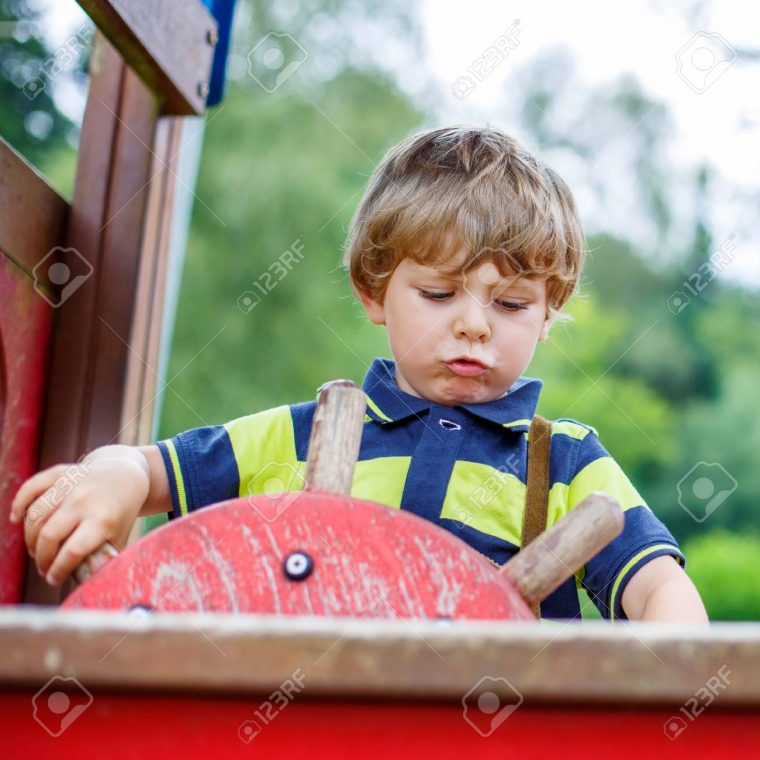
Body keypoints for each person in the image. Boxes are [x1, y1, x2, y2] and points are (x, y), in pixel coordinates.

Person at [10, 125, 708, 623]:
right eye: (439, 294)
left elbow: (655, 590)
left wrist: (681, 670)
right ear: (373, 291)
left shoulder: (564, 461)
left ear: (550, 313)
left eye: (512, 303)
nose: (473, 324)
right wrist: (109, 478)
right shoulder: (305, 436)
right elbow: (151, 469)